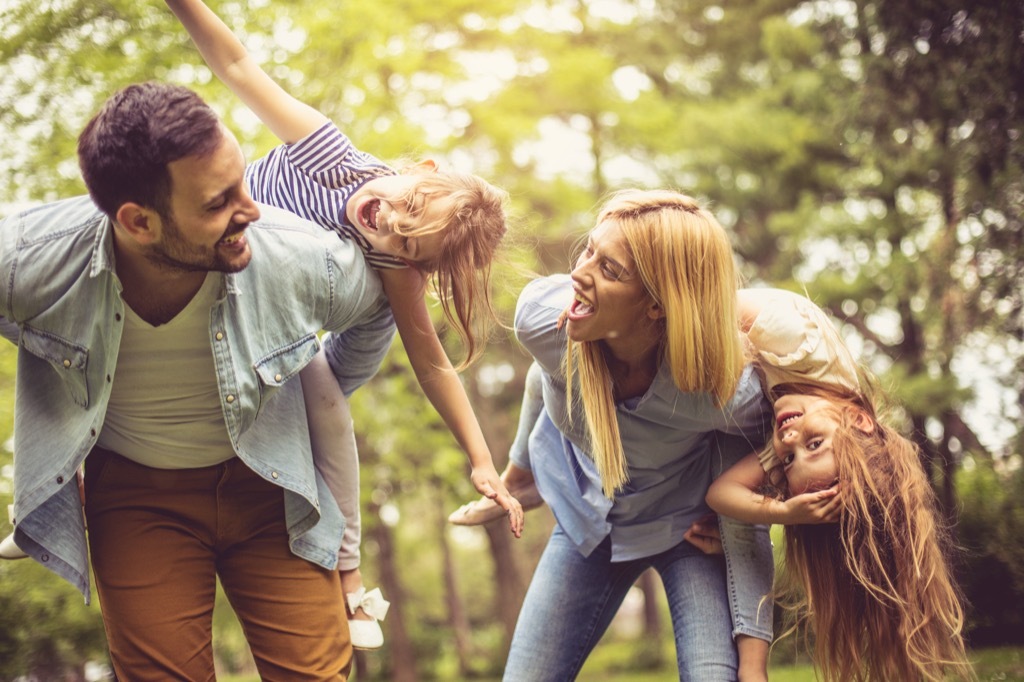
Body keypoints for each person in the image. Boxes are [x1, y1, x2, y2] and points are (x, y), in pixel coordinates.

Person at [0, 81, 397, 680]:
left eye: (242, 180)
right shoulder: (34, 260)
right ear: (139, 222)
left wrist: (326, 387)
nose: (252, 208)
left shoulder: (291, 257)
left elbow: (379, 301)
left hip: (272, 485)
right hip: (137, 497)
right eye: (219, 202)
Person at [161, 0, 525, 649]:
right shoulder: (327, 153)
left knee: (324, 401)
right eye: (404, 204)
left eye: (407, 244)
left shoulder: (398, 265)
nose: (383, 221)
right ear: (426, 168)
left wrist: (480, 459)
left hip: (332, 345)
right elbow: (240, 66)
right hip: (258, 291)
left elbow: (432, 362)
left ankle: (349, 577)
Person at [500, 189, 775, 681]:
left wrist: (735, 510)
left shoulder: (718, 390)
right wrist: (520, 468)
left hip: (686, 529)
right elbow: (543, 378)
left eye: (611, 270)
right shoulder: (545, 321)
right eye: (590, 250)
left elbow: (772, 455)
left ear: (657, 305)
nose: (578, 275)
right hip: (586, 519)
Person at [705, 287, 974, 682]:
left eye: (789, 460)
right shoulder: (801, 343)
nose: (791, 442)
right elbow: (710, 303)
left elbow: (720, 493)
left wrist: (784, 512)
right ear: (860, 421)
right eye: (815, 444)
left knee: (745, 522)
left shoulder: (789, 433)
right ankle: (752, 670)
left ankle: (751, 670)